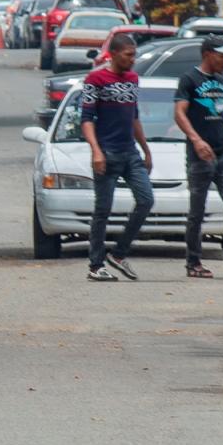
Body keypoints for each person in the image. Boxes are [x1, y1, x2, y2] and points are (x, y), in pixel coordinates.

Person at [175, 36, 223, 279]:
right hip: (201, 156)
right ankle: (193, 262)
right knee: (197, 210)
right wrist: (196, 140)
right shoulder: (189, 79)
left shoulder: (221, 82)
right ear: (208, 54)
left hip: (222, 155)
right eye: (222, 55)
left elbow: (218, 117)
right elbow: (179, 113)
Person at [80, 32, 153, 281]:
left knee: (146, 200)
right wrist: (96, 151)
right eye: (129, 55)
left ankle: (119, 253)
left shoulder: (133, 79)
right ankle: (95, 265)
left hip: (130, 152)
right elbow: (86, 120)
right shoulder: (95, 78)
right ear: (113, 54)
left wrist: (146, 149)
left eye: (135, 55)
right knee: (103, 210)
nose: (133, 60)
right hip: (107, 153)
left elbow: (134, 117)